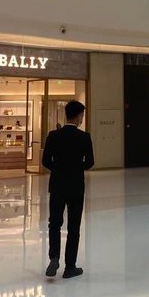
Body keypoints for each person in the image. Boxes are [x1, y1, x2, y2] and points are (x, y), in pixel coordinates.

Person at [42, 100, 94, 279]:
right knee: (73, 226)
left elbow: (45, 160)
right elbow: (90, 162)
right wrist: (77, 168)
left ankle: (54, 257)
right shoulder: (84, 137)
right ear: (78, 116)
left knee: (54, 223)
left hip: (57, 184)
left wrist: (58, 169)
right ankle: (70, 267)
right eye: (82, 115)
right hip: (76, 186)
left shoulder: (53, 135)